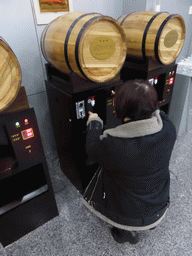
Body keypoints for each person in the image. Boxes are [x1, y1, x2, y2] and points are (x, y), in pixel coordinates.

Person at [83, 79, 176, 244]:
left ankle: (125, 231)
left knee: (105, 173)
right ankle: (150, 221)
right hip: (158, 202)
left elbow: (92, 149)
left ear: (119, 108)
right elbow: (159, 114)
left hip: (126, 211)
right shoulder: (169, 129)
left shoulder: (114, 144)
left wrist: (94, 122)